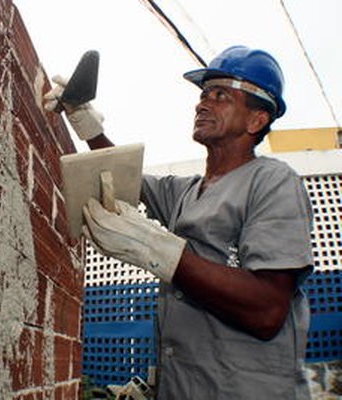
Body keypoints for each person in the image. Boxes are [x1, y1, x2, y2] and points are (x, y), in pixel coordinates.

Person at [44, 45, 314, 399]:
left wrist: (157, 249)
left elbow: (267, 310)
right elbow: (125, 177)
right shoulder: (186, 192)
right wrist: (84, 121)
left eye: (221, 95)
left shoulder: (273, 182)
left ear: (256, 120)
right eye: (203, 94)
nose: (203, 103)